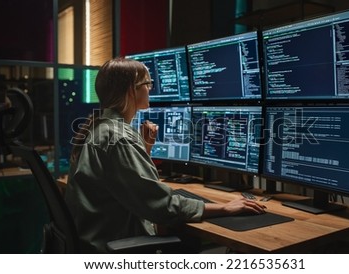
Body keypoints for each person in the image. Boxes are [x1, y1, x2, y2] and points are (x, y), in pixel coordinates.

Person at [64, 57, 266, 253]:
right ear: (130, 91)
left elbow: (128, 184)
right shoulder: (118, 137)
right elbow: (161, 206)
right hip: (113, 247)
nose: (150, 88)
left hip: (95, 240)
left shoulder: (100, 127)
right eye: (147, 83)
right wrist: (224, 208)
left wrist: (144, 149)